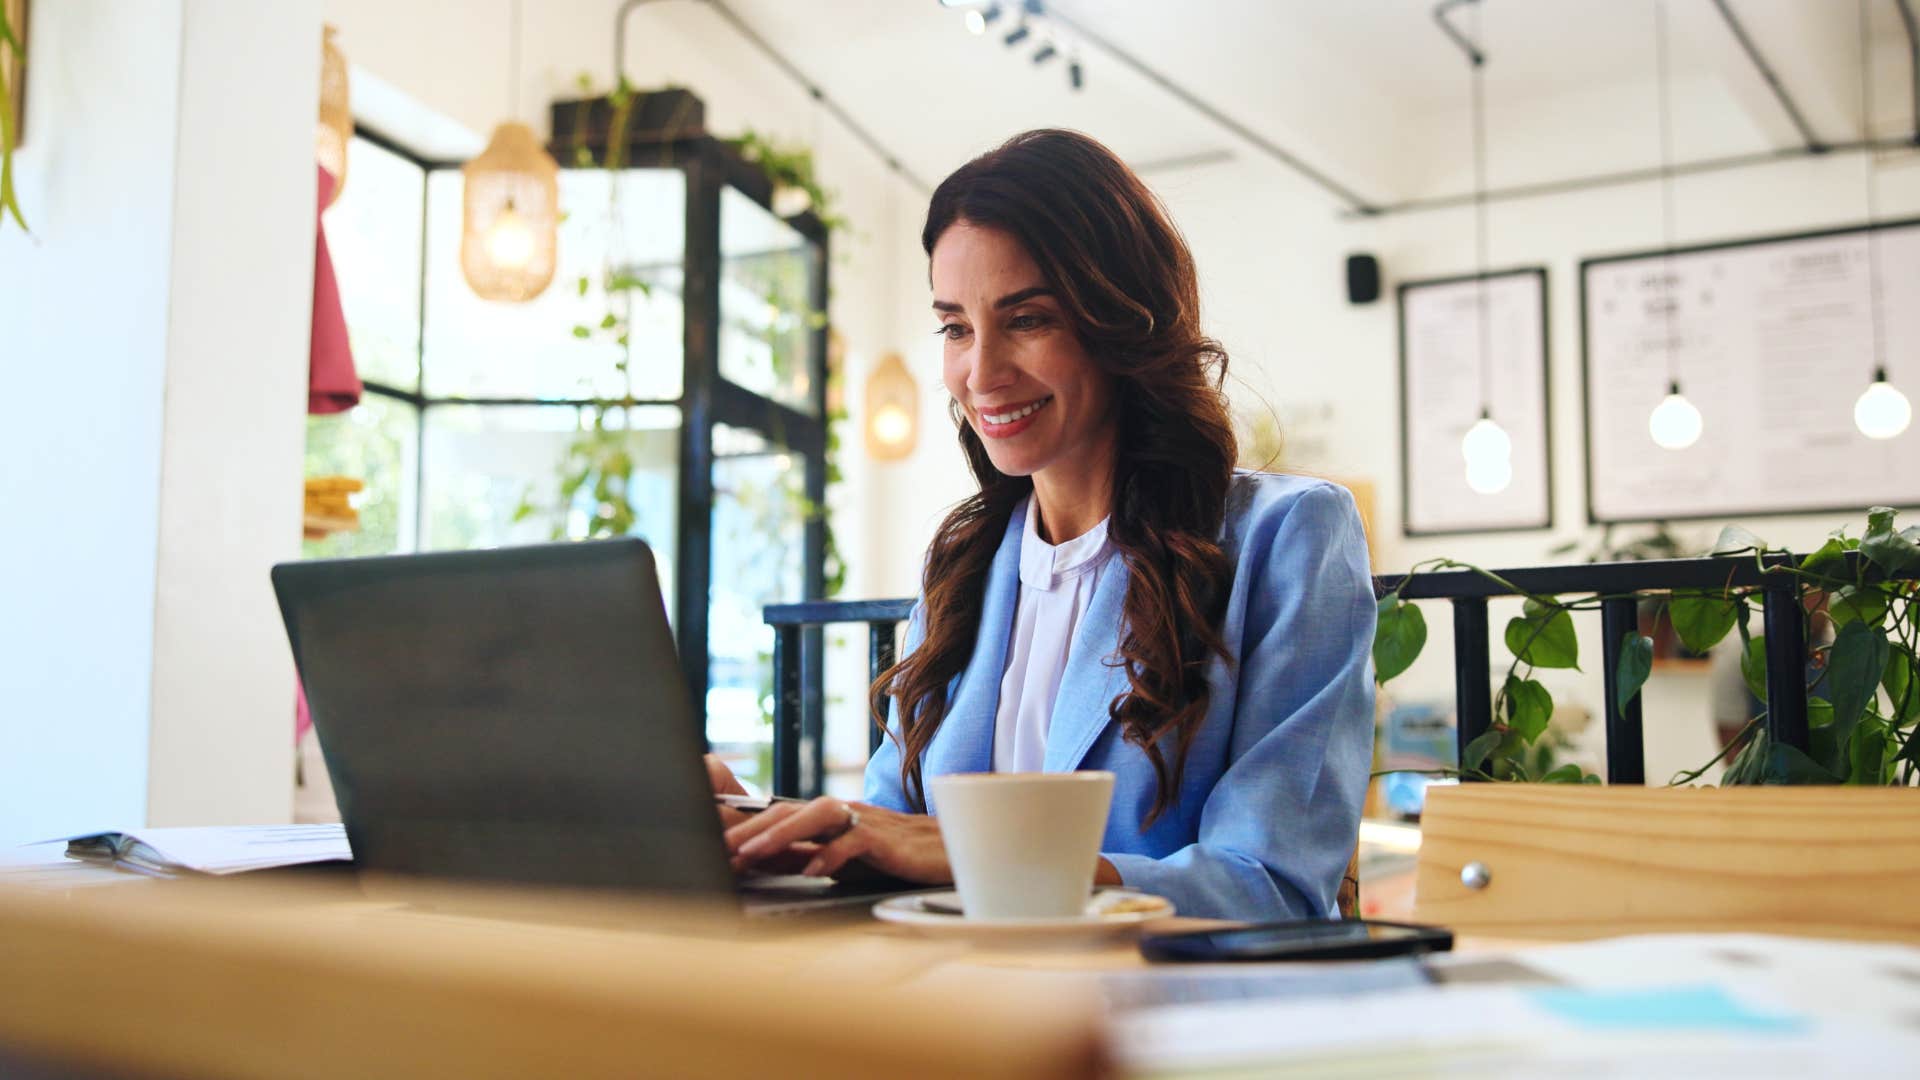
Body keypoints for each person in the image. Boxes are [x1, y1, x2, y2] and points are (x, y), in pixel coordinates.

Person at [716, 129, 1376, 921]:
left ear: (1123, 322)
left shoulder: (1289, 537)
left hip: (1168, 1017)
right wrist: (773, 832)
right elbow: (897, 839)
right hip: (962, 1011)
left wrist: (980, 856)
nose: (981, 373)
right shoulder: (964, 568)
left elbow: (1275, 885)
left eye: (1026, 319)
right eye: (956, 327)